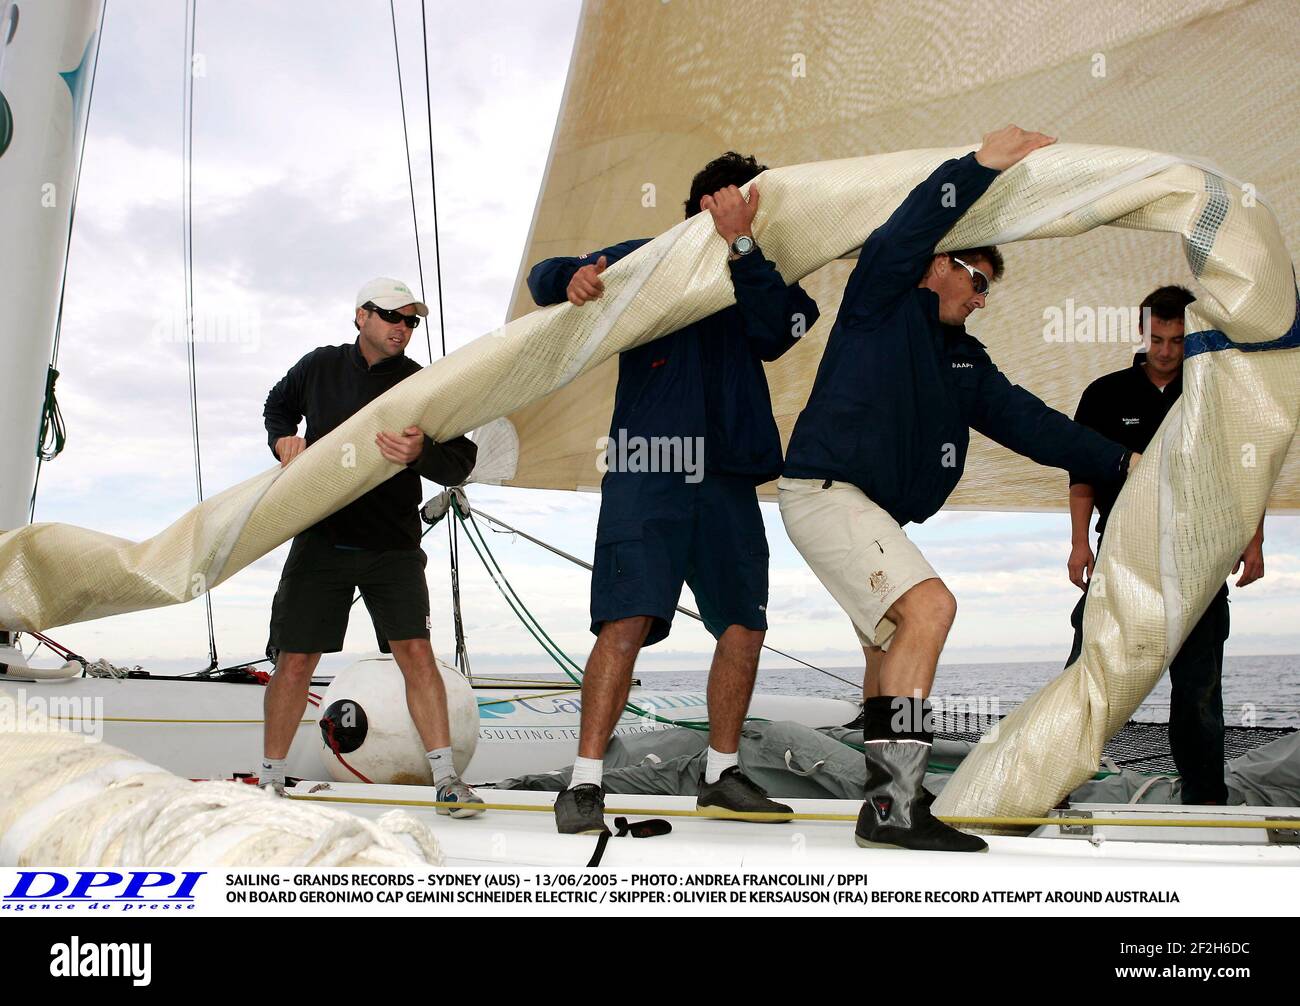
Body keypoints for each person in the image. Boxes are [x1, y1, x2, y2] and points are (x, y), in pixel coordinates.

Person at [780, 126, 1138, 853]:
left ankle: (883, 806)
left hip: (863, 508)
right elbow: (911, 222)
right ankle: (898, 805)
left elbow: (1033, 425)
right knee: (930, 608)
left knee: (888, 651)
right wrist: (979, 167)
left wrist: (1123, 463)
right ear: (939, 265)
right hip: (824, 491)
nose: (981, 300)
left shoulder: (963, 362)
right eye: (978, 282)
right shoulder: (881, 297)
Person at [526, 152, 820, 835]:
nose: (749, 210)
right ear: (702, 205)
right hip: (646, 470)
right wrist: (567, 277)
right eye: (737, 201)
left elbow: (780, 332)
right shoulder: (646, 257)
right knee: (624, 622)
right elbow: (545, 279)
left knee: (745, 628)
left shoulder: (770, 276)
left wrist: (744, 244)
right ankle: (586, 783)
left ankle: (721, 777)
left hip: (727, 477)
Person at [260, 277, 483, 815]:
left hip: (394, 545)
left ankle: (447, 781)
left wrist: (420, 451)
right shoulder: (319, 366)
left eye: (411, 322)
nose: (403, 329)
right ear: (361, 315)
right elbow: (277, 405)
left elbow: (462, 461)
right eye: (392, 317)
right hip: (322, 538)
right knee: (295, 661)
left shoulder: (421, 385)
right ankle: (271, 782)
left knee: (416, 656)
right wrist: (281, 438)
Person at [1066, 284, 1265, 805]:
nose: (1166, 350)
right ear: (1141, 330)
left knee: (1198, 693)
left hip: (1200, 556)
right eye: (1157, 338)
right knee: (1084, 675)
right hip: (1122, 556)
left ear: (1191, 337)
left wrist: (1255, 541)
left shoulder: (1215, 393)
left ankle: (1205, 804)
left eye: (1178, 340)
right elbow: (1081, 475)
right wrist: (1078, 544)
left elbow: (1248, 470)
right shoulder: (1104, 394)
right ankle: (1050, 788)